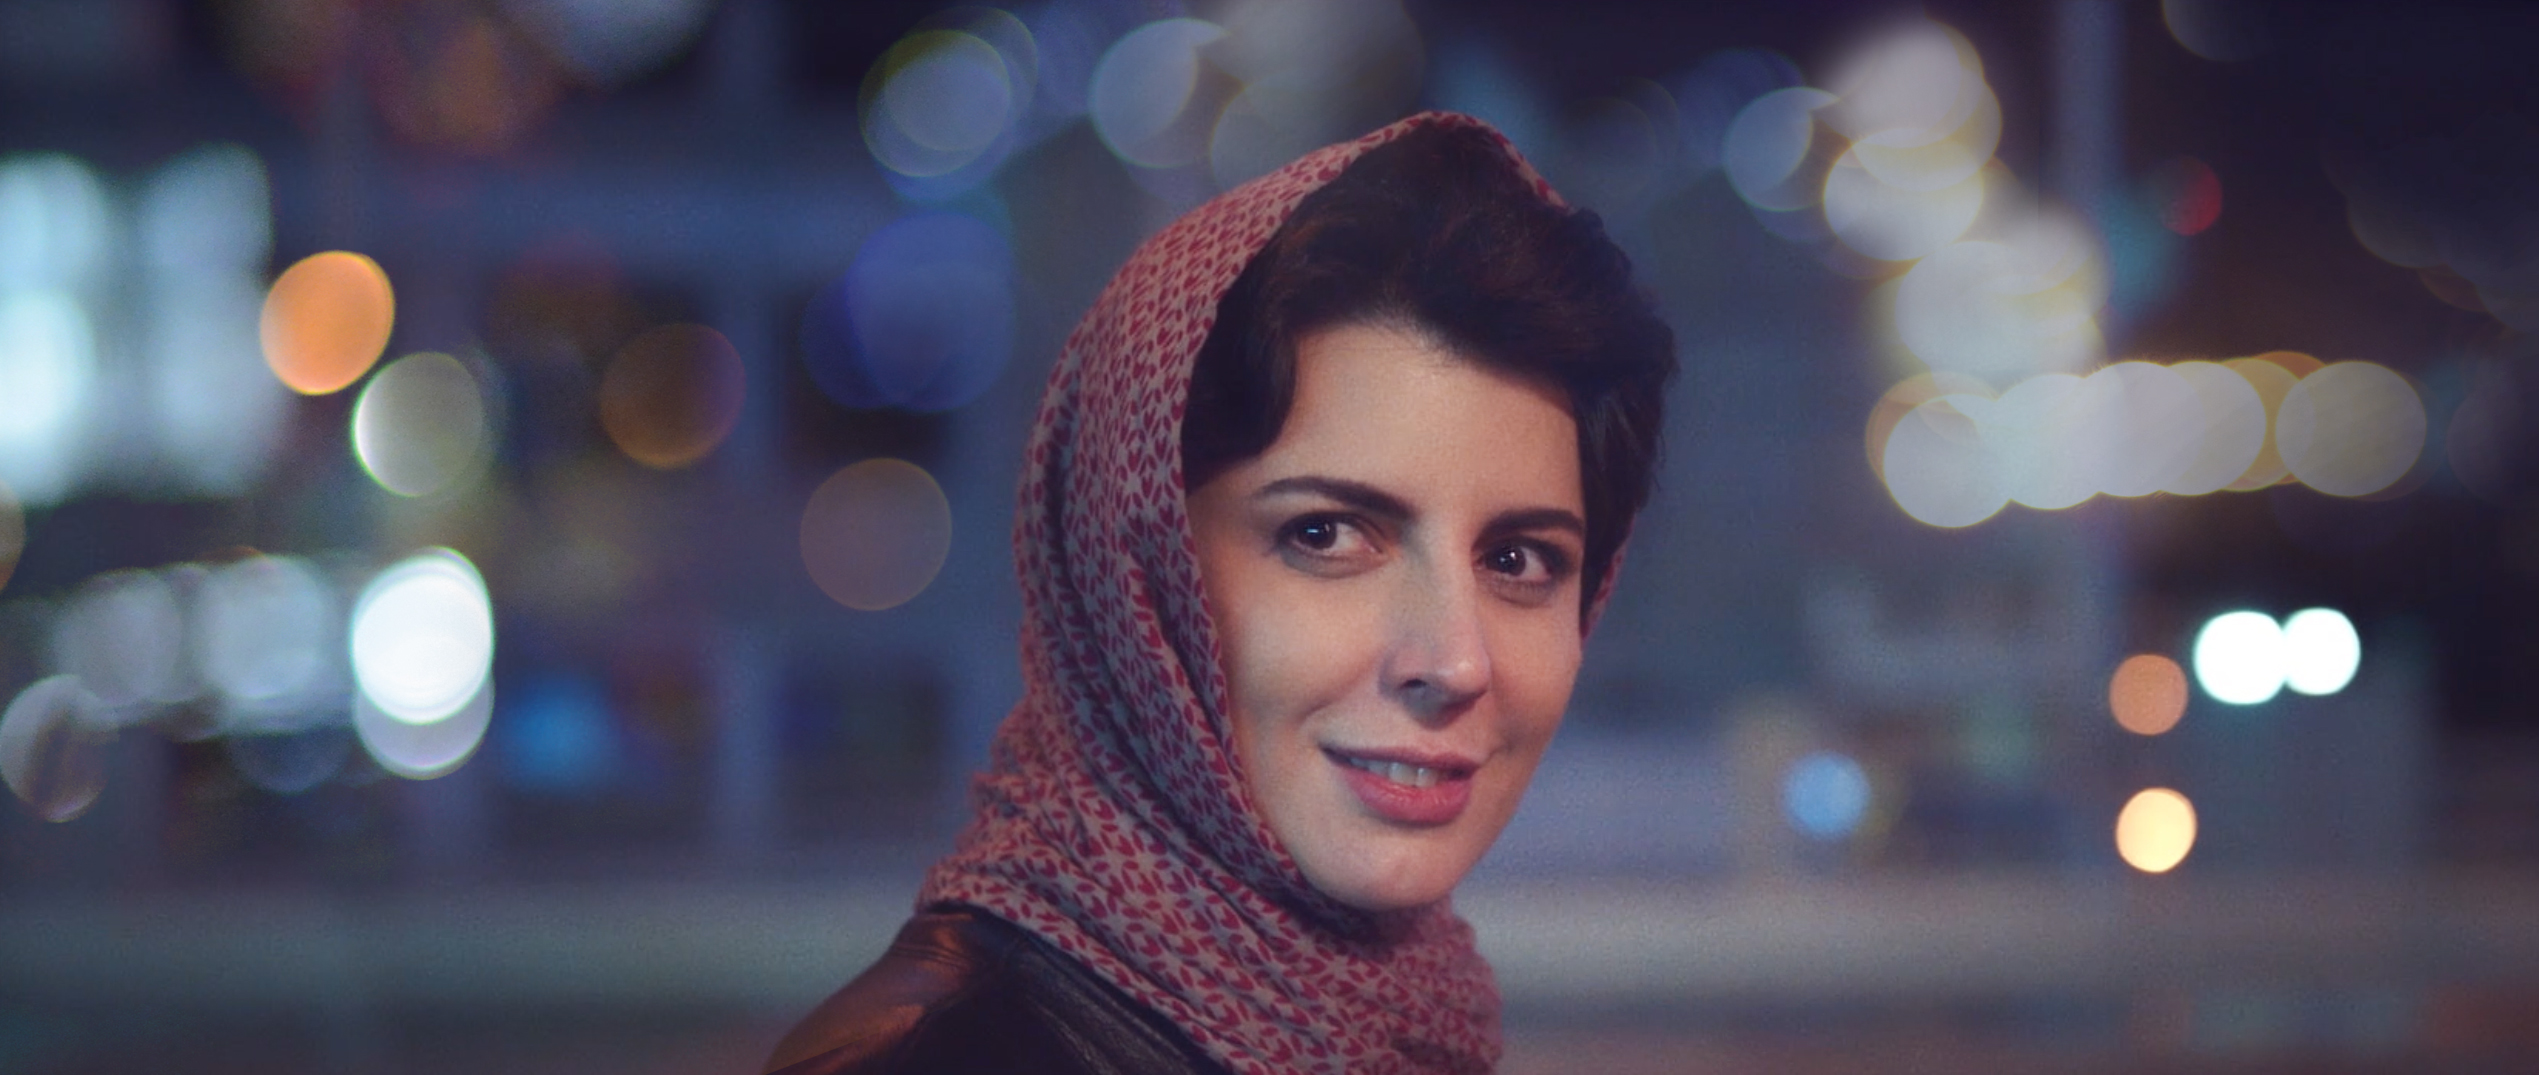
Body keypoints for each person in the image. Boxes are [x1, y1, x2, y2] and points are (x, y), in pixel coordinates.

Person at [765, 111, 1676, 1075]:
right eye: (1325, 534)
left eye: (1519, 559)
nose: (1454, 660)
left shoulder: (1406, 1027)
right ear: (1135, 577)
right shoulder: (931, 1059)